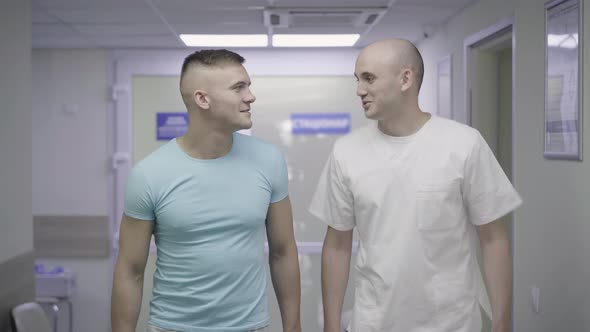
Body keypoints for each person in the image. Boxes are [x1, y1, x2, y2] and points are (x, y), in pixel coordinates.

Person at [310, 39, 522, 332]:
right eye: (358, 80)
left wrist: (502, 322)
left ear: (405, 78)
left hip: (451, 322)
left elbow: (493, 239)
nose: (360, 90)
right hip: (374, 321)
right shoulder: (346, 152)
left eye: (369, 78)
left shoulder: (463, 144)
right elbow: (337, 246)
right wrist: (331, 326)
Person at [111, 49, 301, 332]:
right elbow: (130, 271)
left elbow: (283, 252)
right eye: (239, 88)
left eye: (248, 86)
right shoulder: (149, 174)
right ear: (203, 99)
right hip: (173, 327)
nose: (250, 96)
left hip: (250, 327)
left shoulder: (268, 160)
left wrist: (293, 327)